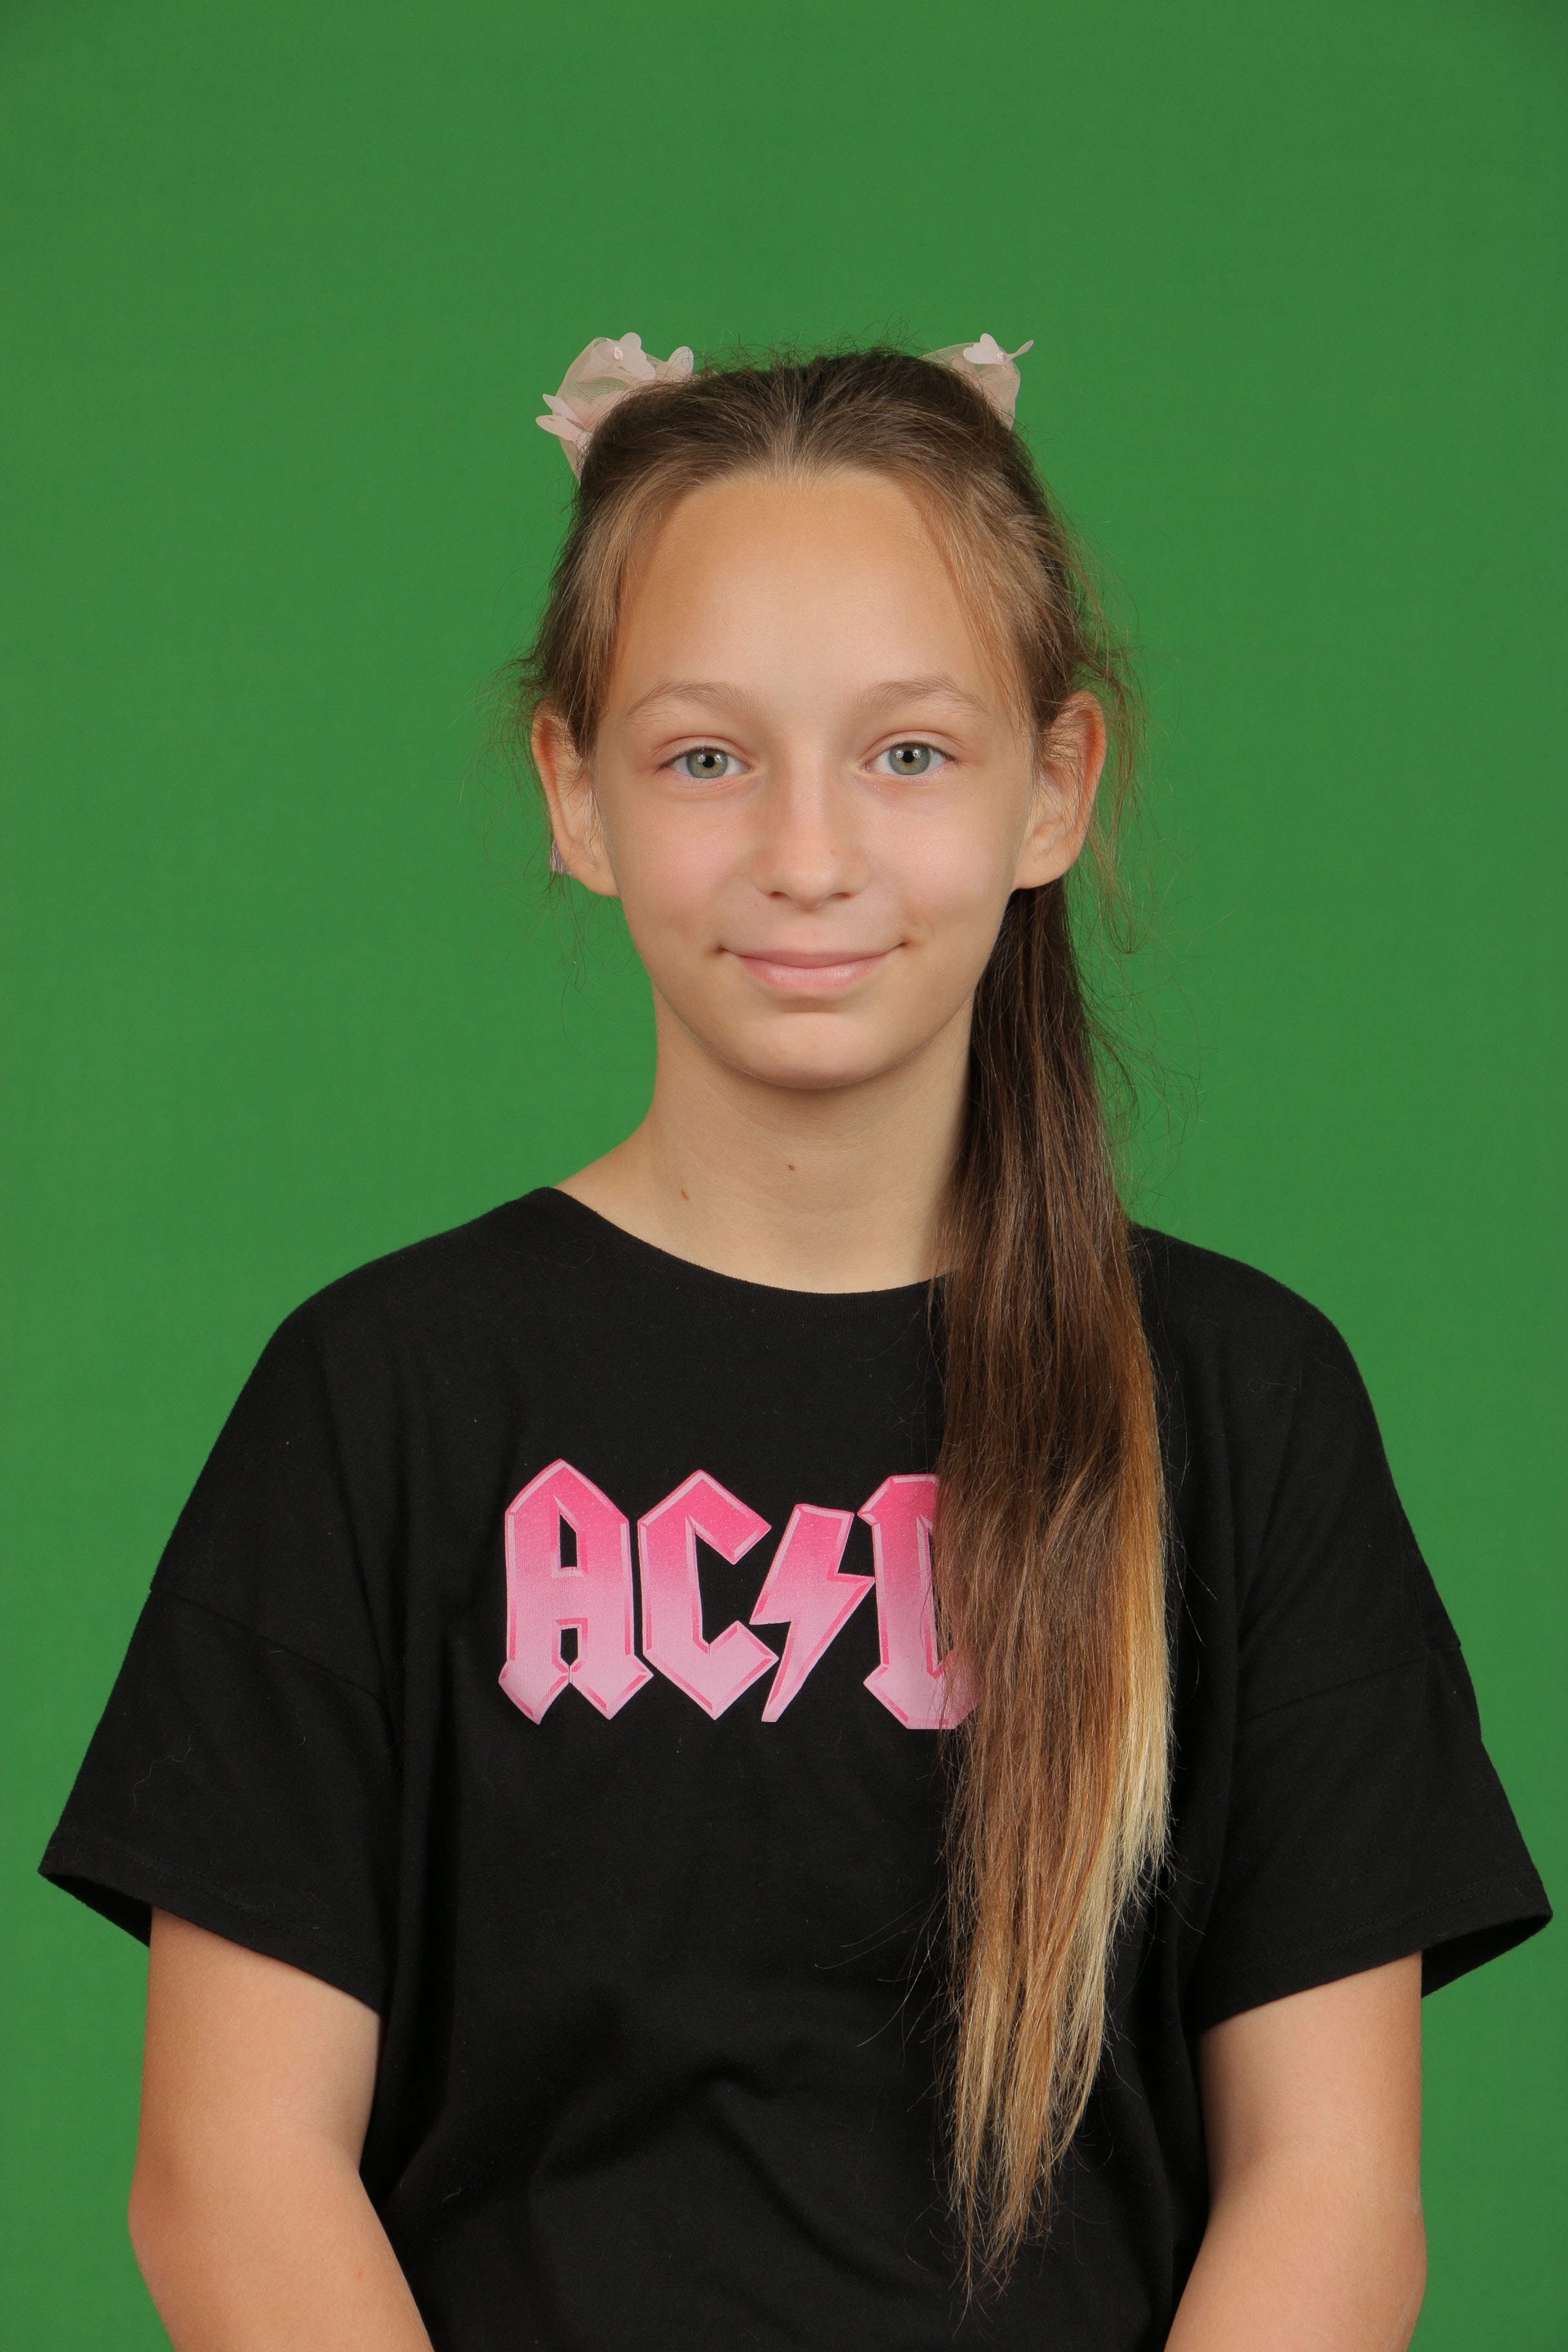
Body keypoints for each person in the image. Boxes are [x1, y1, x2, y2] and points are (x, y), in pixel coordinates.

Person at [41, 333, 1548, 2352]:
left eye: (908, 753)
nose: (809, 854)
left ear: (1054, 788)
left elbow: (1335, 2195)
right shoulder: (379, 1400)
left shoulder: (1244, 1405)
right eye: (705, 757)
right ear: (575, 796)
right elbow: (229, 2179)